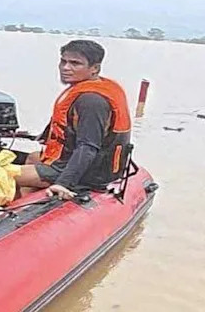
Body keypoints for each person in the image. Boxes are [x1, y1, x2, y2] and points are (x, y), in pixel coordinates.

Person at [15, 39, 132, 200]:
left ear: (95, 68)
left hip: (89, 172)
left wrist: (63, 183)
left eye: (75, 63)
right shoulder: (88, 88)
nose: (65, 67)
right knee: (32, 157)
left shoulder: (91, 101)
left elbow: (88, 147)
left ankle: (5, 208)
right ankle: (27, 202)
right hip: (78, 161)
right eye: (63, 61)